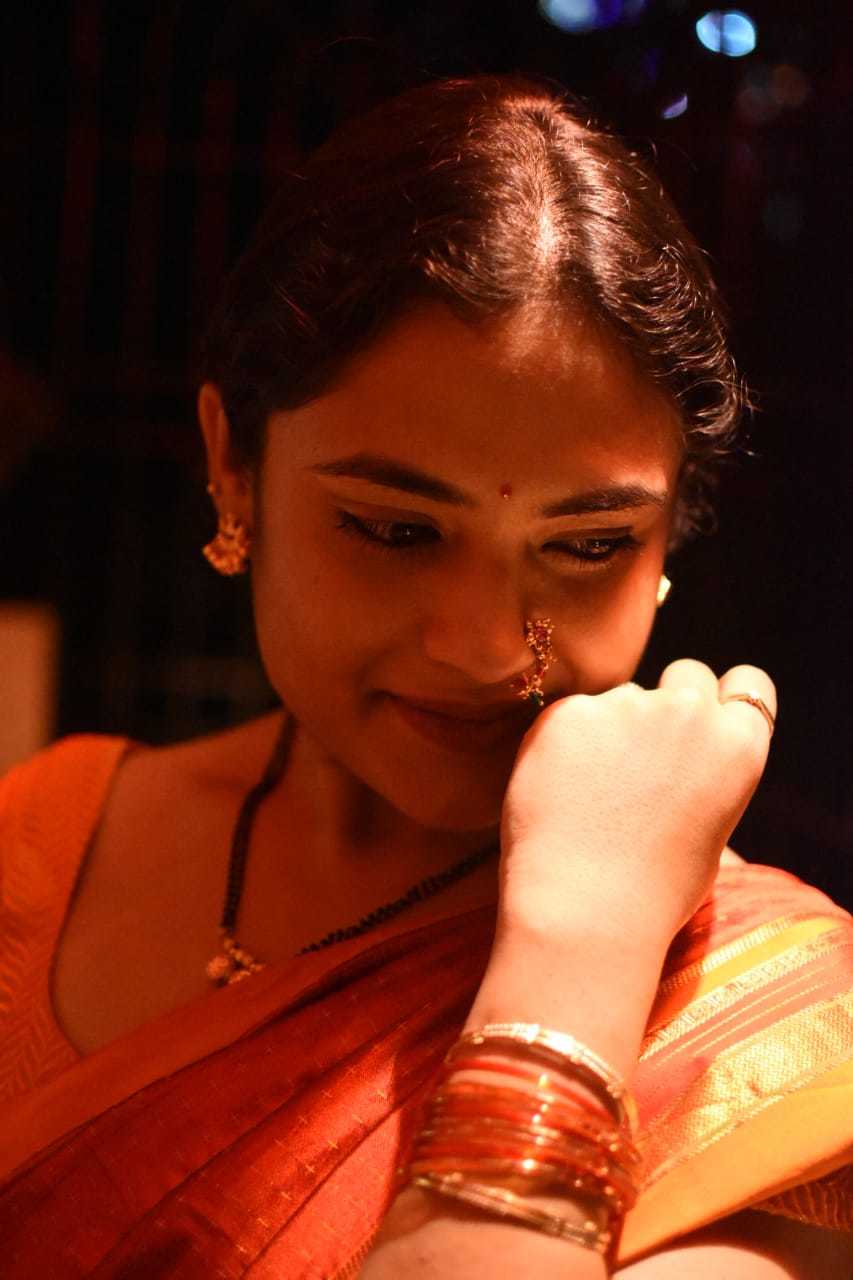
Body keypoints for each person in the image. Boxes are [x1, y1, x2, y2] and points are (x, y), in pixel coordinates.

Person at [0, 75, 850, 1279]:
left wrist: (578, 951)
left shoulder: (772, 1019)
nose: (488, 646)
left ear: (670, 533)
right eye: (395, 529)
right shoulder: (38, 843)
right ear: (232, 466)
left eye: (588, 545)